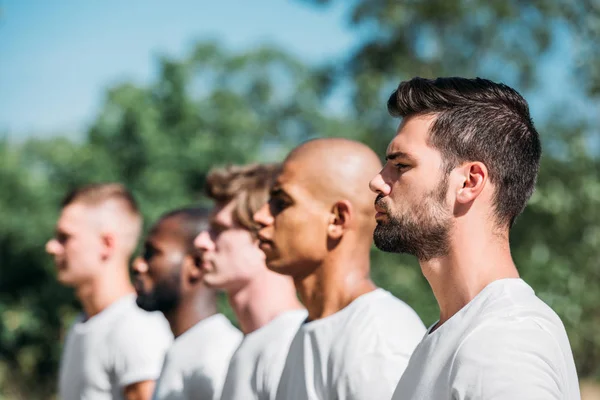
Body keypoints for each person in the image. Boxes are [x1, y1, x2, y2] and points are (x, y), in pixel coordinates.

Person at [369, 77, 580, 399]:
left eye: (401, 165)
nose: (378, 182)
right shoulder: (460, 333)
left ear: (469, 182)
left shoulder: (503, 342)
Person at [253, 138, 426, 400]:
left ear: (337, 219)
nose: (260, 216)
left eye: (282, 202)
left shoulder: (378, 339)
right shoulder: (313, 328)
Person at [45, 183, 172, 400]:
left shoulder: (137, 328)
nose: (51, 247)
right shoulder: (82, 324)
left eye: (65, 237)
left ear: (106, 244)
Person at [193, 163, 307, 400]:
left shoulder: (289, 345)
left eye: (219, 229)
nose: (202, 241)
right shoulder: (253, 343)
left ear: (264, 233)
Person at [132, 206, 242, 400]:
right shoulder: (184, 349)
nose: (138, 265)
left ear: (197, 265)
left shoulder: (216, 357)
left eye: (152, 253)